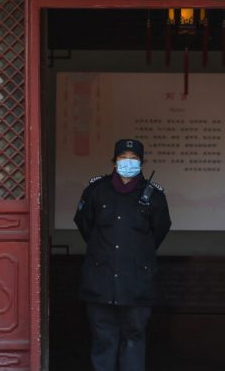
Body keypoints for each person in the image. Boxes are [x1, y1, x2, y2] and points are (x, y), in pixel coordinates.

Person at [74, 138, 172, 371]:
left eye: (134, 158)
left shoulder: (154, 195)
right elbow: (84, 224)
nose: (128, 162)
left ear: (142, 162)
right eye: (123, 158)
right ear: (114, 161)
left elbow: (160, 230)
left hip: (137, 283)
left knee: (133, 339)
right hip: (100, 281)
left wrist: (135, 252)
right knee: (103, 340)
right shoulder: (96, 190)